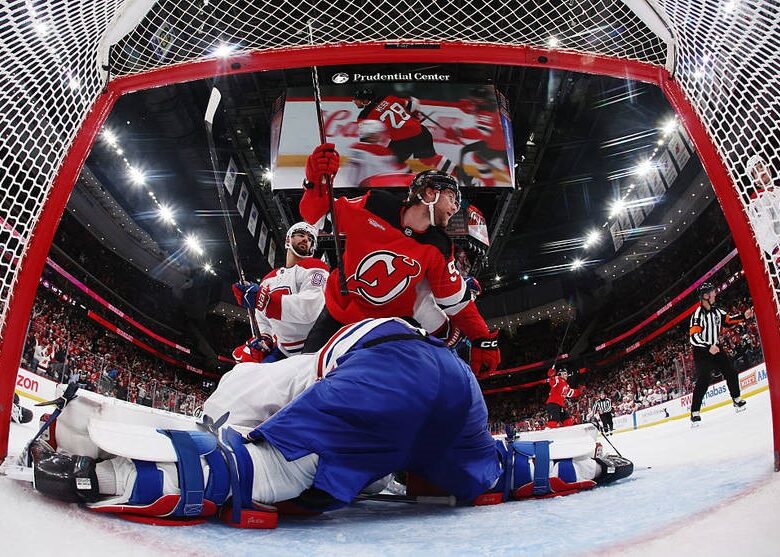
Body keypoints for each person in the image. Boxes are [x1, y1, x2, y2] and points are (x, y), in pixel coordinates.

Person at [26, 318, 632, 528]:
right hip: (456, 383)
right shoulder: (302, 363)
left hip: (389, 375)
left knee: (255, 471)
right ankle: (590, 459)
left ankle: (102, 475)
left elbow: (237, 442)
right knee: (493, 472)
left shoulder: (252, 378)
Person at [300, 143, 500, 375]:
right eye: (452, 198)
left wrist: (482, 338)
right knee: (304, 377)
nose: (455, 208)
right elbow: (316, 214)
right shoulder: (374, 205)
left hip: (384, 331)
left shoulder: (439, 246)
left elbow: (457, 303)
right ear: (429, 193)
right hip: (337, 316)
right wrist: (315, 183)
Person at [231, 221, 329, 363]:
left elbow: (310, 308)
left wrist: (264, 301)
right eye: (301, 235)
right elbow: (262, 317)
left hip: (312, 352)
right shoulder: (268, 279)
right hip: (282, 351)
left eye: (310, 239)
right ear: (288, 239)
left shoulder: (316, 268)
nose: (306, 239)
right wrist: (265, 337)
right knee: (244, 377)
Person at [353, 87, 457, 177]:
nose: (354, 101)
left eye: (356, 99)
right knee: (430, 159)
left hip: (402, 141)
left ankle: (409, 181)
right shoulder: (389, 98)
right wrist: (416, 116)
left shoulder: (363, 117)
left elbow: (372, 139)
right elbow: (413, 105)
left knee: (391, 163)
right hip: (420, 132)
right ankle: (462, 175)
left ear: (365, 101)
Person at [688, 282, 753, 425]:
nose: (715, 294)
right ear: (705, 296)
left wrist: (744, 316)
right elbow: (694, 337)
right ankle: (694, 412)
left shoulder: (717, 310)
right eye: (712, 292)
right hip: (702, 351)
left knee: (731, 372)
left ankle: (736, 399)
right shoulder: (697, 315)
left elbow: (728, 320)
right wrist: (707, 346)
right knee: (704, 379)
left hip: (716, 348)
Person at [447, 86, 510, 187]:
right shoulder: (489, 103)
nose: (471, 101)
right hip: (501, 142)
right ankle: (488, 182)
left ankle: (488, 183)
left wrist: (459, 132)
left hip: (496, 146)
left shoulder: (486, 111)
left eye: (473, 99)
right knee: (472, 154)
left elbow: (480, 133)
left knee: (478, 156)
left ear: (480, 99)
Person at [345, 119, 412, 187]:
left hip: (353, 187)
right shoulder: (379, 151)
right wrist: (406, 168)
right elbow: (395, 171)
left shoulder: (353, 147)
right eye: (378, 133)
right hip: (373, 188)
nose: (380, 136)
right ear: (372, 136)